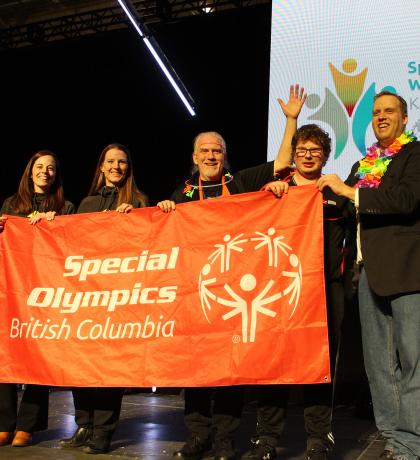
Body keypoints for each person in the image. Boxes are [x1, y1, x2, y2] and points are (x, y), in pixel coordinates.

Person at [156, 84, 306, 460]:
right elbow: (162, 237)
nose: (211, 155)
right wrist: (162, 211)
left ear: (225, 156)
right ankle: (198, 436)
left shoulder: (238, 183)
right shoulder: (182, 193)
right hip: (195, 293)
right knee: (196, 369)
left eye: (217, 150)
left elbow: (284, 163)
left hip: (232, 294)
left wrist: (291, 120)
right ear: (194, 156)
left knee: (229, 370)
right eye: (205, 150)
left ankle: (224, 438)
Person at [317, 91, 420, 460]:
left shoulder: (415, 155)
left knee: (413, 363)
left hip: (408, 271)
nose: (380, 117)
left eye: (389, 111)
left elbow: (407, 200)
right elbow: (342, 204)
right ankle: (395, 439)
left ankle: (411, 444)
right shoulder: (365, 164)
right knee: (379, 368)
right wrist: (299, 199)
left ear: (404, 119)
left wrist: (349, 191)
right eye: (375, 112)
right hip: (366, 274)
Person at [242, 123, 349, 460]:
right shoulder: (277, 189)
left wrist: (345, 191)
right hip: (281, 293)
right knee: (276, 362)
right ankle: (267, 439)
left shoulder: (334, 190)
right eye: (302, 149)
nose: (307, 155)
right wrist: (268, 194)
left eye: (315, 150)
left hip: (325, 290)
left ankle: (319, 438)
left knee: (320, 366)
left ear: (325, 156)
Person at [59, 143, 148, 455]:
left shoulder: (138, 201)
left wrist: (135, 218)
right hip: (87, 297)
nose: (116, 166)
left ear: (128, 168)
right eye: (110, 161)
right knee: (80, 364)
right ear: (101, 166)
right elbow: (71, 245)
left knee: (110, 367)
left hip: (119, 298)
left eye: (122, 162)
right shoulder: (86, 203)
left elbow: (146, 247)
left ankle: (104, 431)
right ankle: (84, 425)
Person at [0, 150, 75, 448]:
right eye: (39, 167)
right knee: (6, 355)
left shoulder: (66, 206)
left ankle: (28, 425)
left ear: (56, 174)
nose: (45, 172)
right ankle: (4, 422)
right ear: (30, 172)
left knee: (36, 358)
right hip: (12, 290)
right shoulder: (11, 204)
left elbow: (72, 246)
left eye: (51, 168)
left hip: (45, 290)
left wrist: (57, 227)